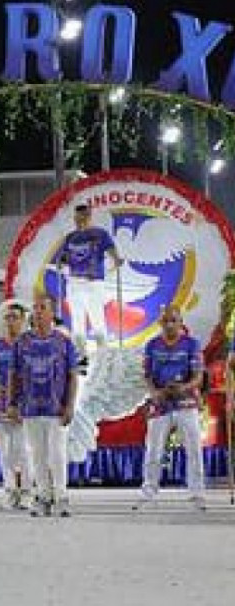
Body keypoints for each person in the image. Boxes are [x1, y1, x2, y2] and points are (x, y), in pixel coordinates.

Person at [8, 295, 78, 518]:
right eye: (35, 308)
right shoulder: (22, 343)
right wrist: (11, 402)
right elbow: (14, 375)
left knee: (57, 453)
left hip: (56, 408)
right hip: (30, 408)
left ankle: (62, 496)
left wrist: (70, 405)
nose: (37, 312)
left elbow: (72, 376)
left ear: (51, 313)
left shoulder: (63, 342)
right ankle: (43, 496)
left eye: (42, 308)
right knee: (36, 454)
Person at [135, 305, 205, 511]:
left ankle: (197, 491)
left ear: (181, 322)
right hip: (160, 404)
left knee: (193, 448)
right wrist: (154, 393)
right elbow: (147, 375)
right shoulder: (151, 345)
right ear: (160, 323)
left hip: (186, 403)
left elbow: (198, 376)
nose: (170, 325)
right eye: (166, 321)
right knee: (153, 449)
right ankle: (149, 491)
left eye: (174, 320)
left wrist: (184, 387)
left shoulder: (192, 344)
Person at [57, 204, 123, 350]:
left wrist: (116, 259)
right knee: (77, 320)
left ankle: (103, 353)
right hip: (74, 282)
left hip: (93, 282)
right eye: (76, 217)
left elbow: (110, 248)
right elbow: (65, 256)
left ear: (88, 216)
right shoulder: (70, 237)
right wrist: (61, 263)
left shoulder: (100, 233)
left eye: (82, 217)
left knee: (97, 318)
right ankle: (80, 355)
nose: (78, 220)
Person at [0, 303, 31, 511]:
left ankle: (26, 492)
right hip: (1, 405)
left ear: (23, 320)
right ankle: (9, 490)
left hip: (24, 407)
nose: (11, 321)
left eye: (15, 317)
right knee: (5, 452)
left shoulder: (30, 346)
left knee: (23, 450)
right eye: (8, 317)